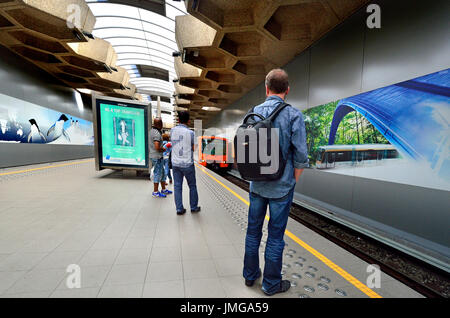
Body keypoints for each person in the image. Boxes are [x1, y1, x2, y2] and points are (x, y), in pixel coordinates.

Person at [242, 69, 309, 296]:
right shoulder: (293, 115)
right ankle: (271, 284)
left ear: (266, 88)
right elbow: (301, 156)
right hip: (281, 187)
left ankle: (250, 276)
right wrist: (292, 182)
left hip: (257, 185)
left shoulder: (253, 113)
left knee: (253, 232)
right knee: (275, 236)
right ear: (288, 90)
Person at [170, 111, 201, 215]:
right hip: (187, 163)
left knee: (177, 186)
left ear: (178, 120)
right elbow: (195, 148)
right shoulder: (191, 133)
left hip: (175, 164)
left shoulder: (172, 131)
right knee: (192, 185)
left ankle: (179, 209)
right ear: (188, 121)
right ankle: (194, 207)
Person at [149, 117, 172, 198]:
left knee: (161, 172)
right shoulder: (156, 133)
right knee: (157, 173)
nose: (162, 125)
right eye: (161, 123)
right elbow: (157, 146)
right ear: (159, 124)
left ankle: (163, 189)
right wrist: (163, 149)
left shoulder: (152, 131)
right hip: (157, 156)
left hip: (155, 156)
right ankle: (155, 191)